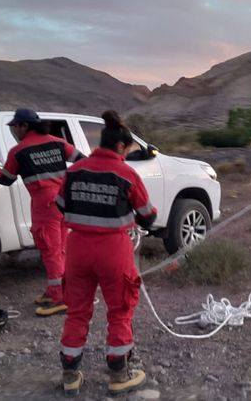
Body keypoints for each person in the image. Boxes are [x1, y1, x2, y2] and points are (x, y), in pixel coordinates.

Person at [56, 110, 158, 397]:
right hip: (113, 250)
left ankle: (69, 375)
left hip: (76, 248)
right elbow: (148, 217)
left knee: (76, 311)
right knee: (120, 310)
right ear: (121, 147)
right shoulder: (127, 173)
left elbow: (60, 206)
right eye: (127, 150)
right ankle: (118, 375)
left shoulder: (74, 171)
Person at [0, 108, 85, 317]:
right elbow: (82, 161)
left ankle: (60, 298)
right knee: (62, 248)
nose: (13, 131)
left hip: (44, 206)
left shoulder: (19, 151)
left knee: (50, 250)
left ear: (24, 126)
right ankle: (56, 290)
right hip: (65, 203)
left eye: (14, 127)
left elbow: (6, 179)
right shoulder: (58, 142)